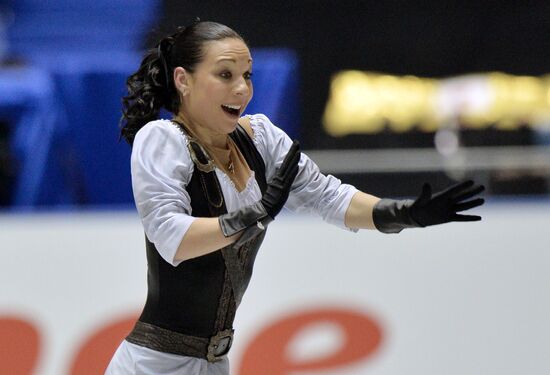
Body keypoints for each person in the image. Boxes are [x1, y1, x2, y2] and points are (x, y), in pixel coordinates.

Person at [105, 20, 484, 375]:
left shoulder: (261, 139)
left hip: (212, 364)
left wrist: (402, 213)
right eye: (225, 75)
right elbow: (172, 237)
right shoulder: (162, 140)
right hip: (151, 365)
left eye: (246, 75)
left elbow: (330, 197)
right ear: (183, 80)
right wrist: (256, 214)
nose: (242, 89)